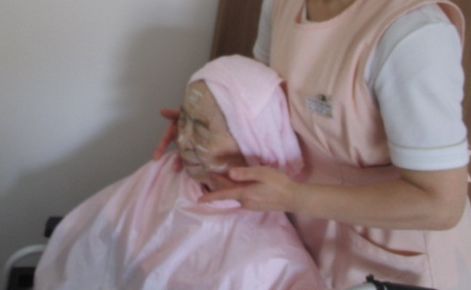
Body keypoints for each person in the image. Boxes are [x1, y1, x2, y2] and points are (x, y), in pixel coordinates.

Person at [153, 0, 471, 290]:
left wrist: (295, 196)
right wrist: (209, 122)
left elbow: (439, 204)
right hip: (301, 231)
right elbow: (266, 102)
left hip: (395, 258)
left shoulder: (412, 34)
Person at [33, 56, 325, 290]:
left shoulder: (273, 261)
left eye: (201, 129)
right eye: (183, 119)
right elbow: (97, 248)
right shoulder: (166, 173)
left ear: (251, 141)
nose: (182, 140)